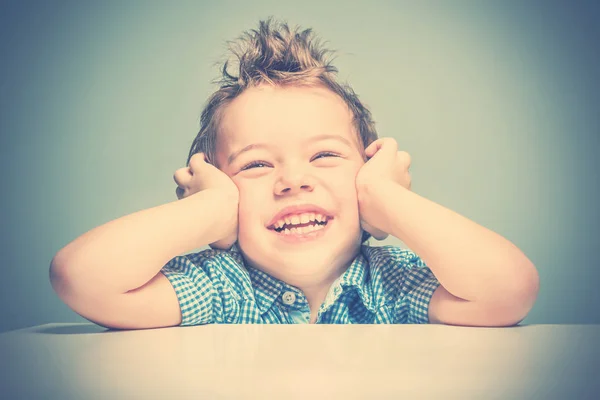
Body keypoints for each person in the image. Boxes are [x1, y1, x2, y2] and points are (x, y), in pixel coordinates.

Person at [49, 18, 539, 329]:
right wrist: (210, 210)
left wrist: (387, 201)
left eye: (325, 156)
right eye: (256, 164)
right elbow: (82, 278)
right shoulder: (222, 289)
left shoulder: (389, 285)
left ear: (366, 185)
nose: (293, 181)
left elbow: (509, 292)